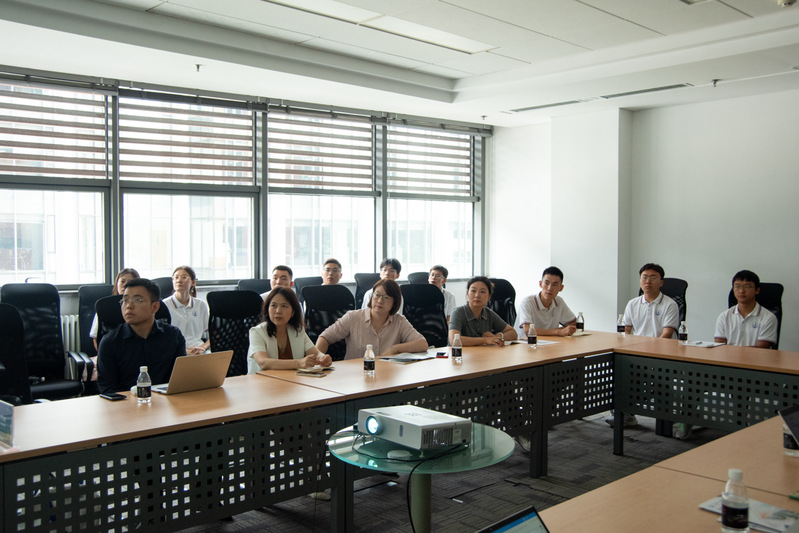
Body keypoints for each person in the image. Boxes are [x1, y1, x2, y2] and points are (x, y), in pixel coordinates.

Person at [610, 263, 679, 428]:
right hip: (637, 353)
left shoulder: (670, 304)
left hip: (662, 355)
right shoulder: (633, 304)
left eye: (653, 278)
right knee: (619, 370)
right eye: (644, 277)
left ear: (661, 282)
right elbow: (626, 331)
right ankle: (625, 414)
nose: (648, 281)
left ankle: (634, 412)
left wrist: (648, 352)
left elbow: (667, 334)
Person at [97, 278, 185, 394]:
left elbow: (181, 378)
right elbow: (107, 388)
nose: (129, 306)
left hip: (166, 400)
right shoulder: (110, 342)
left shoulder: (174, 336)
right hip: (126, 402)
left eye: (138, 300)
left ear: (155, 307)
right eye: (125, 300)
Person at [317, 279, 427, 359]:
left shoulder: (399, 321)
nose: (380, 301)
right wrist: (319, 358)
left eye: (386, 297)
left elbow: (422, 344)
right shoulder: (353, 317)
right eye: (377, 295)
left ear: (394, 302)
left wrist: (395, 349)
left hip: (386, 375)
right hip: (355, 375)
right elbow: (325, 337)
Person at [247, 287, 332, 372]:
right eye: (273, 305)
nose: (278, 311)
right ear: (267, 309)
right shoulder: (257, 332)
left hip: (290, 379)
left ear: (293, 312)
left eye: (284, 306)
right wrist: (299, 363)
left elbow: (316, 353)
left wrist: (323, 357)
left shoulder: (297, 330)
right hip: (262, 379)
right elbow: (263, 363)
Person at [715, 270, 777, 349]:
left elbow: (762, 348)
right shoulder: (724, 316)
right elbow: (719, 347)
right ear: (733, 289)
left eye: (747, 287)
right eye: (737, 286)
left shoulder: (768, 317)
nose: (741, 291)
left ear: (757, 290)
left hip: (755, 357)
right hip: (728, 357)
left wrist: (735, 352)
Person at [448, 276, 517, 346]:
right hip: (459, 352)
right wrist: (485, 340)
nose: (477, 295)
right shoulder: (458, 312)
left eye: (482, 292)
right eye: (473, 291)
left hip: (482, 352)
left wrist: (496, 337)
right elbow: (453, 340)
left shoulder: (488, 313)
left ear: (489, 296)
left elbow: (513, 333)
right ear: (467, 294)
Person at [517, 266, 577, 337]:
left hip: (551, 341)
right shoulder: (527, 302)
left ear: (561, 288)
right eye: (546, 283)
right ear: (540, 284)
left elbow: (574, 323)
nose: (549, 288)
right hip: (526, 342)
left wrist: (566, 329)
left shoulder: (559, 301)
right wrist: (558, 331)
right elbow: (528, 330)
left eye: (554, 284)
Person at [162, 265, 210, 355]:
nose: (179, 280)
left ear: (193, 282)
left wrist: (202, 348)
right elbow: (162, 338)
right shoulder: (164, 305)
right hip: (174, 351)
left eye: (184, 277)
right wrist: (184, 350)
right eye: (176, 278)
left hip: (199, 350)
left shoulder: (201, 305)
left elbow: (213, 334)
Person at [90, 267, 140, 350]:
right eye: (122, 281)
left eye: (130, 282)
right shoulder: (104, 307)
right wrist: (101, 355)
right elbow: (96, 338)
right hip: (109, 352)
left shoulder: (141, 308)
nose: (125, 285)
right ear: (117, 283)